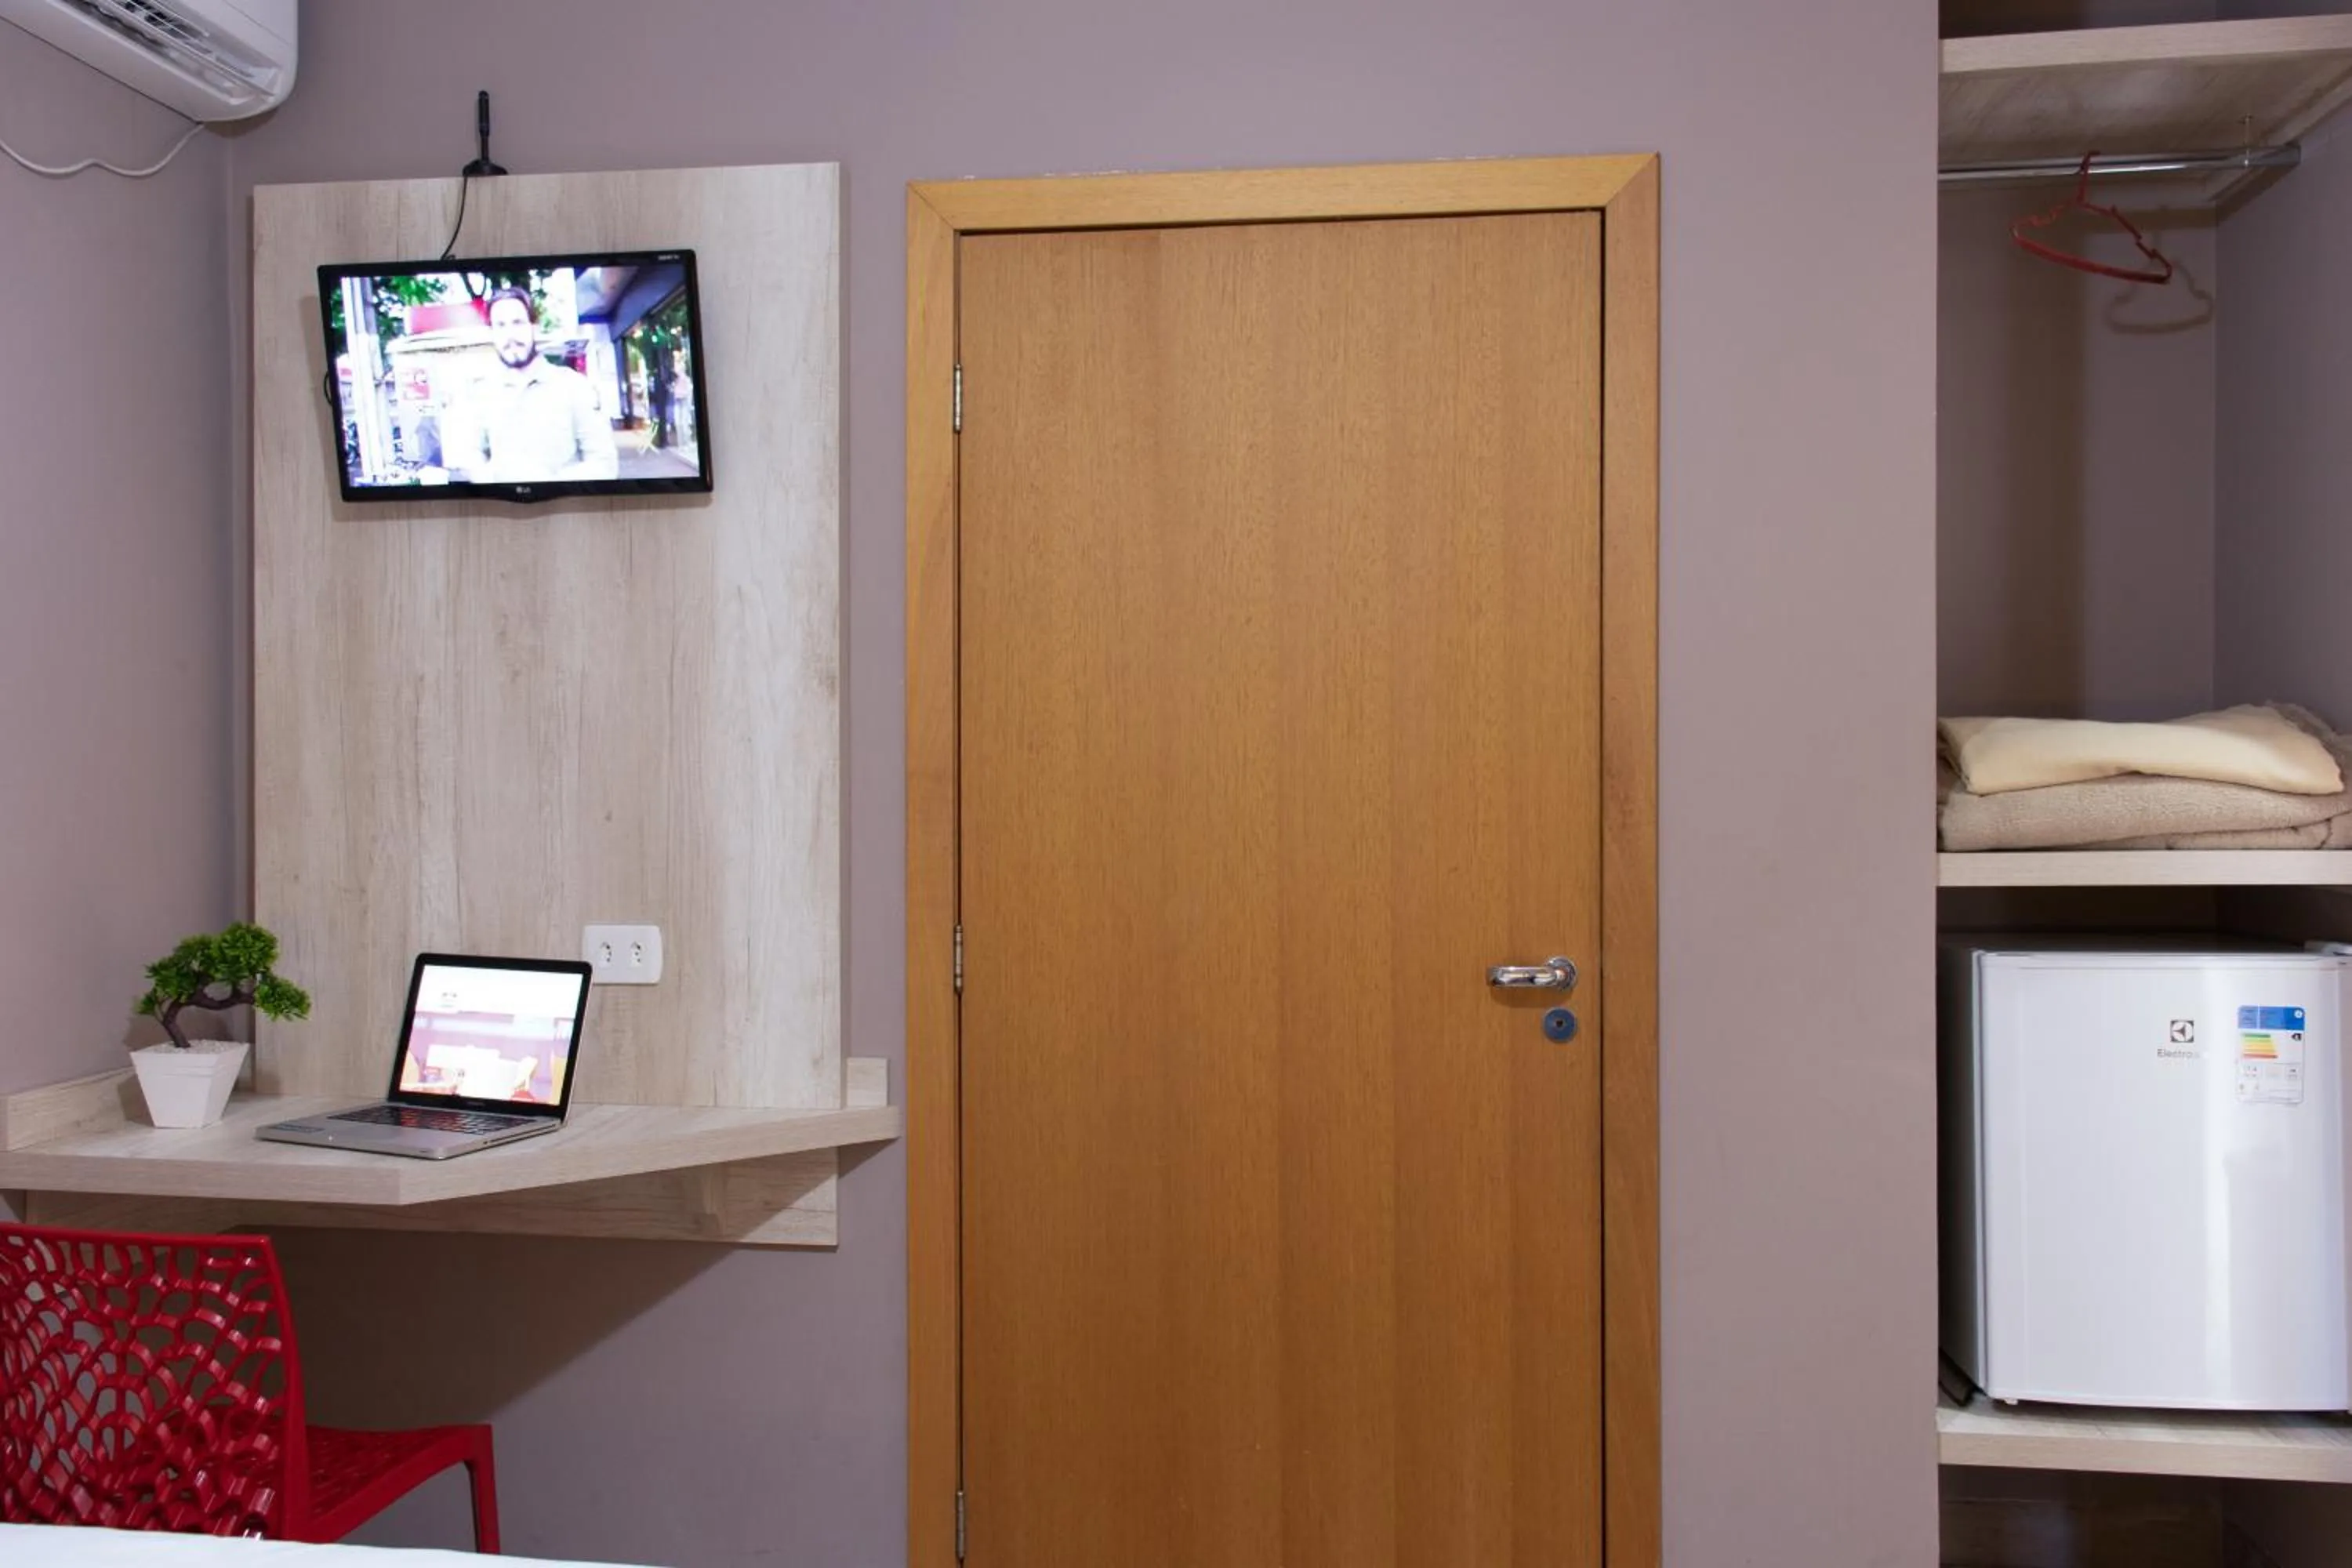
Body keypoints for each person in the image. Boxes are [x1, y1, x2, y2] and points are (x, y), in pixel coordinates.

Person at [441, 285, 619, 484]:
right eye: (500, 325)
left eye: (517, 323)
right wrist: (490, 478)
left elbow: (604, 464)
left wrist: (549, 484)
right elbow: (470, 454)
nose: (510, 335)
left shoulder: (574, 387)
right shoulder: (481, 393)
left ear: (534, 328)